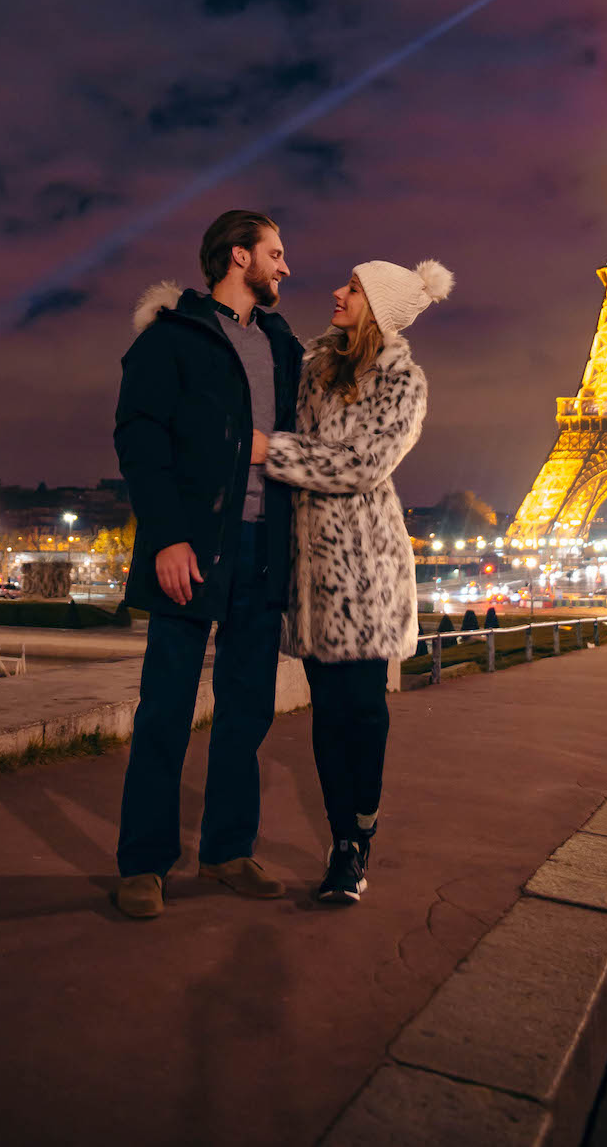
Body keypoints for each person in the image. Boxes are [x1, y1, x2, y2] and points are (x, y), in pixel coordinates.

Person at [110, 209, 304, 920]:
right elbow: (139, 440)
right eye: (275, 253)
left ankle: (227, 849)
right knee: (165, 708)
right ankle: (143, 864)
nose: (286, 267)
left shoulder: (284, 345)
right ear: (236, 256)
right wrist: (166, 537)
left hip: (263, 550)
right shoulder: (173, 339)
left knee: (247, 711)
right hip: (193, 547)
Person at [254, 256, 453, 903]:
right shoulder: (312, 369)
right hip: (310, 571)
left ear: (382, 307)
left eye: (354, 288)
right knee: (327, 715)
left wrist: (271, 450)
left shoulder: (404, 383)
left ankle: (357, 836)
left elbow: (361, 466)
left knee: (362, 713)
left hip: (365, 572)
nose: (337, 293)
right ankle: (344, 838)